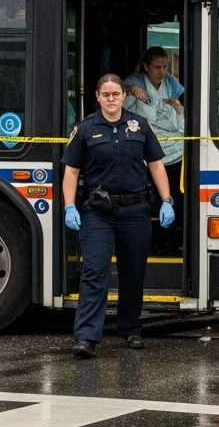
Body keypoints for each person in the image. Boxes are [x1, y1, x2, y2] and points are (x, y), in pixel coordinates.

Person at [62, 73, 176, 359]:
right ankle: (86, 337)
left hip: (135, 211)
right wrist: (69, 206)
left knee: (133, 272)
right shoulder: (85, 129)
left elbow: (156, 166)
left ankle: (130, 328)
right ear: (97, 97)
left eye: (116, 94)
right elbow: (71, 172)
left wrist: (167, 201)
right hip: (97, 212)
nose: (111, 99)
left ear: (123, 96)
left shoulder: (140, 126)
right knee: (95, 272)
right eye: (106, 94)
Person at [124, 47, 185, 251]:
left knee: (172, 195)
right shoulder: (136, 81)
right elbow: (124, 90)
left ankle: (169, 240)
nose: (162, 72)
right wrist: (134, 89)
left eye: (165, 67)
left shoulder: (170, 84)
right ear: (146, 67)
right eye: (157, 67)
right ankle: (150, 241)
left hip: (175, 149)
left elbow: (184, 103)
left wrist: (177, 107)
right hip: (145, 151)